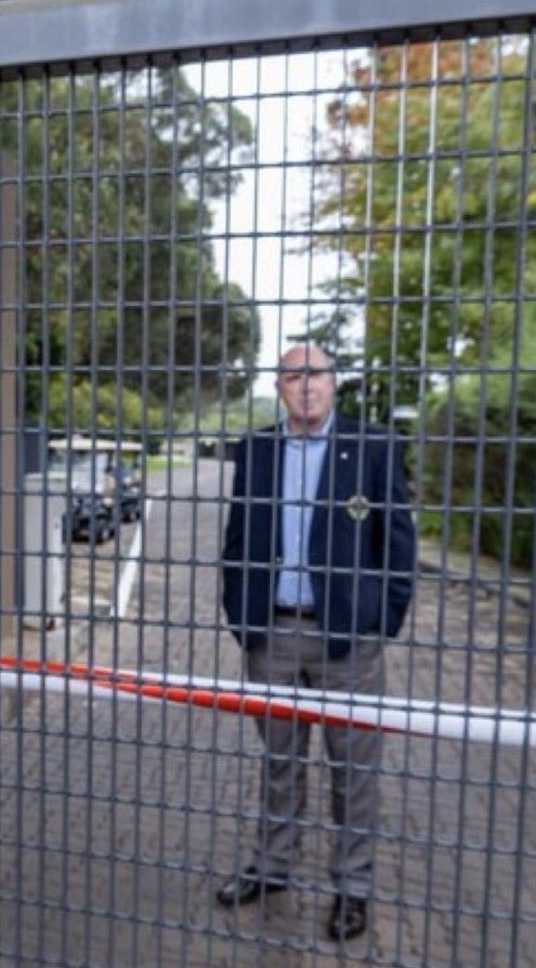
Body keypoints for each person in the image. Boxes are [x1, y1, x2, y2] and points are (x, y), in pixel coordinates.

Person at [218, 344, 416, 943]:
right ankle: (273, 867)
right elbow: (238, 532)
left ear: (336, 384)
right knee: (280, 761)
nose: (307, 386)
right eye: (294, 375)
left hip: (346, 641)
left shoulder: (373, 447)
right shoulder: (256, 448)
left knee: (353, 770)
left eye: (318, 375)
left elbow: (398, 542)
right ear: (279, 386)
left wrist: (379, 621)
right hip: (272, 632)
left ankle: (352, 889)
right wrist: (240, 612)